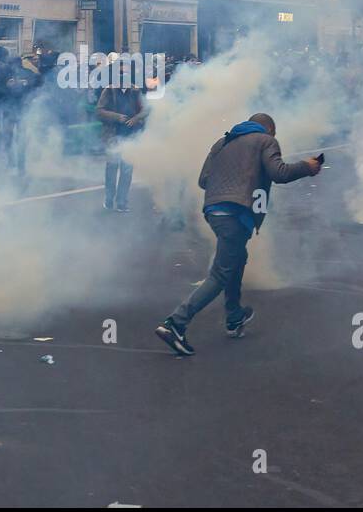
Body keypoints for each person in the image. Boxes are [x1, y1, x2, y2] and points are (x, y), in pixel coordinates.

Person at [155, 113, 321, 356]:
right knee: (220, 274)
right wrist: (308, 166)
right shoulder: (266, 141)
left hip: (214, 211)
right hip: (237, 212)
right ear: (270, 130)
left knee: (237, 258)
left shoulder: (222, 142)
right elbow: (280, 173)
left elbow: (203, 181)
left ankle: (234, 315)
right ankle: (176, 323)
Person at [96, 70, 144, 212]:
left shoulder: (135, 91)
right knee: (112, 168)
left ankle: (122, 202)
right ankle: (109, 199)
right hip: (113, 135)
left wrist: (135, 119)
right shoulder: (109, 91)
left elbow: (145, 110)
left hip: (130, 136)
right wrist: (116, 117)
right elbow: (99, 111)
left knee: (127, 170)